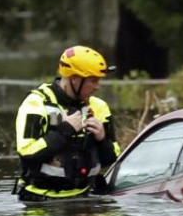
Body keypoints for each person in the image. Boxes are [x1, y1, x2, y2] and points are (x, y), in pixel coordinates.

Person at [12, 45, 121, 203]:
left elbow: (110, 159)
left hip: (85, 200)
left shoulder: (99, 107)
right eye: (93, 80)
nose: (98, 87)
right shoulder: (36, 104)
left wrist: (102, 139)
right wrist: (64, 131)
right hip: (39, 202)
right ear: (74, 78)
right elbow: (27, 155)